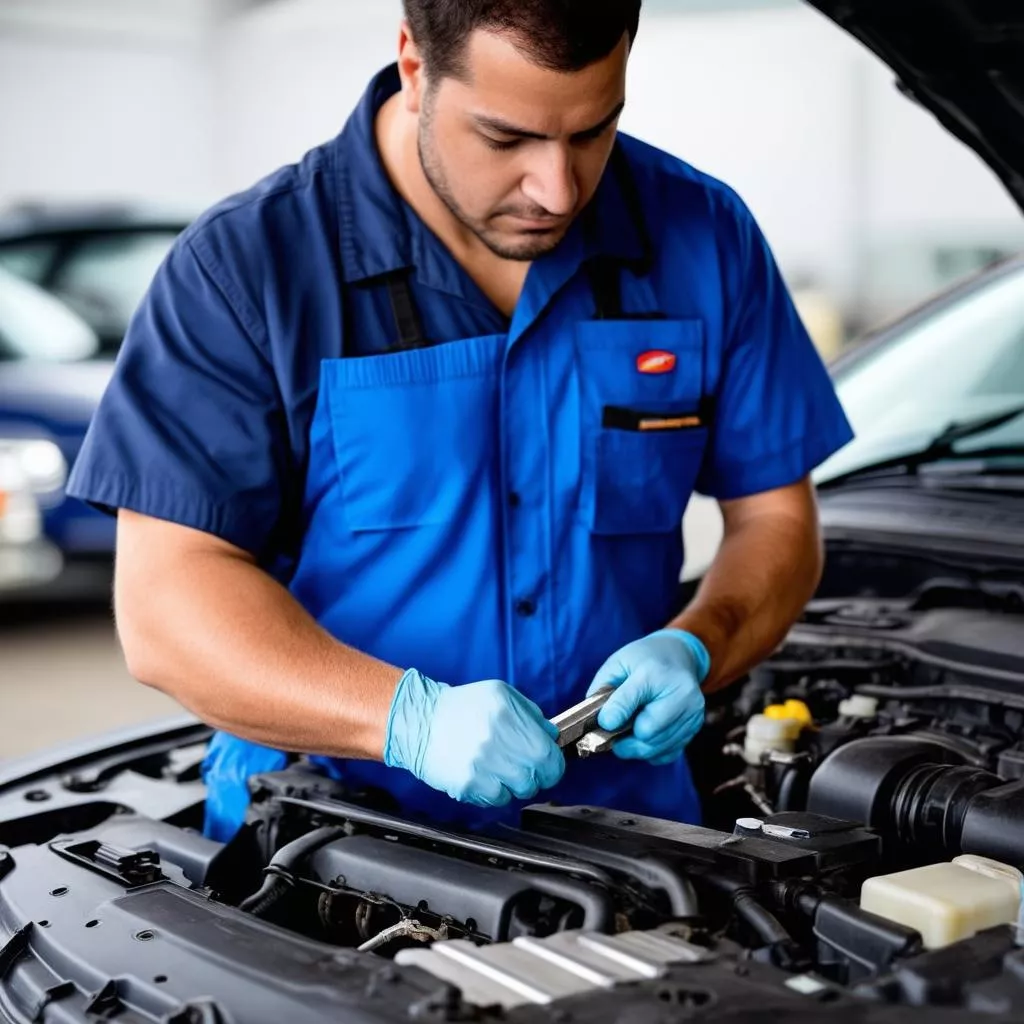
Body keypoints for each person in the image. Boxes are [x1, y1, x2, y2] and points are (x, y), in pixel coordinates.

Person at [68, 0, 853, 842]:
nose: (557, 189)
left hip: (634, 844)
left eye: (593, 131)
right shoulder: (245, 270)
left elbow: (775, 516)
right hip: (328, 853)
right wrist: (405, 721)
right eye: (507, 138)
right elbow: (167, 601)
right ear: (413, 63)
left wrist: (701, 646)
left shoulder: (704, 235)